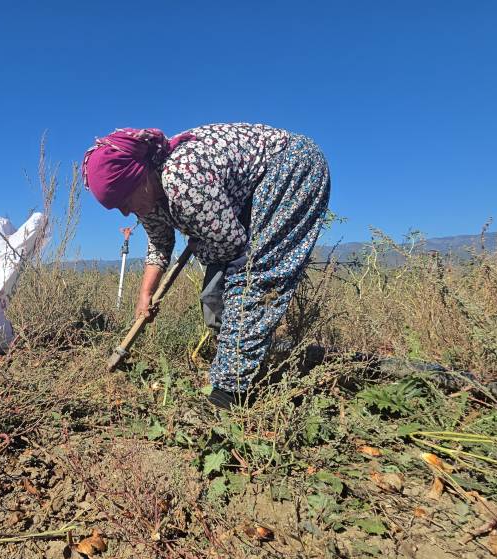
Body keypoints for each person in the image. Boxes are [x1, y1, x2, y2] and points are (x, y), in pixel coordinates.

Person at [82, 123, 331, 409]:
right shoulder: (149, 199)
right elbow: (160, 244)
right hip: (244, 199)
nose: (125, 211)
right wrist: (144, 295)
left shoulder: (182, 180)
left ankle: (229, 392)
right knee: (214, 299)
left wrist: (199, 237)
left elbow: (233, 246)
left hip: (290, 168)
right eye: (117, 207)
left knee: (252, 277)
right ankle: (255, 356)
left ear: (141, 178)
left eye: (124, 201)